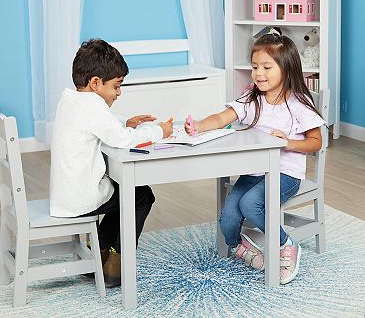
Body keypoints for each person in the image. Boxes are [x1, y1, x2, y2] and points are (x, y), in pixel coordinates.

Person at [185, 28, 325, 285]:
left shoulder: (298, 102)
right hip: (254, 171)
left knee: (250, 204)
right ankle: (241, 247)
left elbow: (316, 142)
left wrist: (289, 142)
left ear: (287, 68)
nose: (258, 74)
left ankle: (287, 245)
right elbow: (222, 118)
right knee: (227, 217)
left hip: (285, 173)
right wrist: (199, 126)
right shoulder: (252, 98)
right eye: (254, 67)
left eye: (267, 67)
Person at [50, 39, 173, 287]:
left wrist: (124, 124)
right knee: (141, 195)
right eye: (116, 86)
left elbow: (101, 128)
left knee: (127, 194)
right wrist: (160, 131)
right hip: (82, 197)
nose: (119, 93)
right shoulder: (93, 106)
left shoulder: (71, 99)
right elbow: (121, 141)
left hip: (66, 194)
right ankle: (117, 262)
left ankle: (99, 249)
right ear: (95, 83)